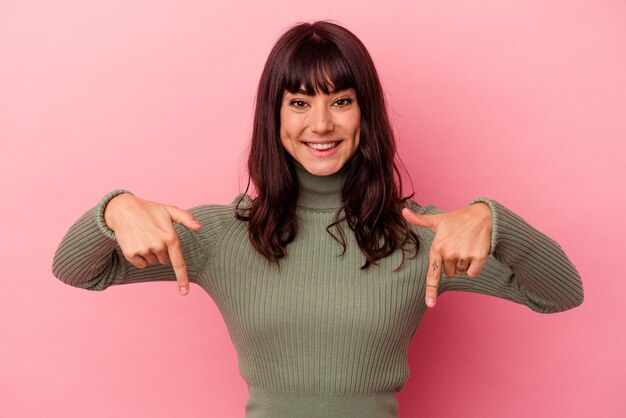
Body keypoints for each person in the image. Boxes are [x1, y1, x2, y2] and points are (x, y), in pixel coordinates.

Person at [52, 21, 584, 418]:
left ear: (365, 113)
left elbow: (559, 293)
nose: (322, 123)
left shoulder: (419, 237)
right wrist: (114, 209)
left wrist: (494, 220)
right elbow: (78, 269)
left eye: (342, 100)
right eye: (300, 102)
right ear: (274, 115)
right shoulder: (219, 236)